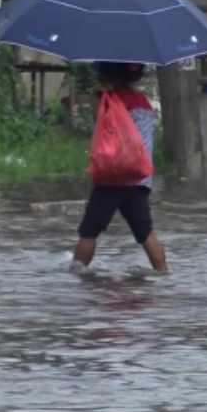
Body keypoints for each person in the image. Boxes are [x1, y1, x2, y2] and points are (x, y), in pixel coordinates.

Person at [72, 62, 168, 273]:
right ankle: (163, 275)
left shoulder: (109, 100)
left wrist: (96, 103)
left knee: (89, 231)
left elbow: (101, 135)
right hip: (140, 178)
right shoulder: (143, 102)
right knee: (146, 232)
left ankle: (75, 277)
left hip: (113, 177)